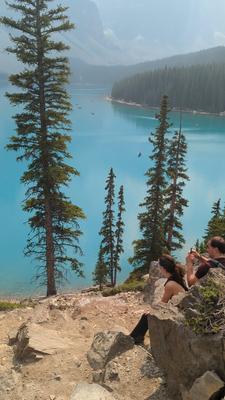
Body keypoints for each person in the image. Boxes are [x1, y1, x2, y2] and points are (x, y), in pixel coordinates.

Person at [130, 254, 188, 345]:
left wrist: (151, 311)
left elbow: (163, 304)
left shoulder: (170, 284)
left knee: (146, 316)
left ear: (164, 269)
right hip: (180, 309)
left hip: (179, 314)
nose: (158, 268)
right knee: (147, 314)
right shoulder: (176, 276)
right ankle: (136, 337)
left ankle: (135, 338)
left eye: (159, 266)